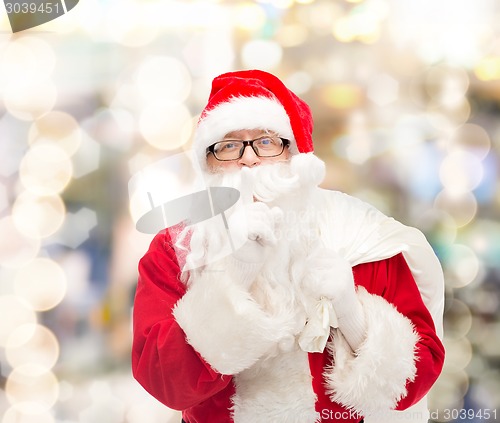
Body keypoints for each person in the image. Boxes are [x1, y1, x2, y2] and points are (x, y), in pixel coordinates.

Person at [131, 70, 445, 423]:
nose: (248, 159)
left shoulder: (358, 234)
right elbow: (165, 383)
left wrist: (351, 312)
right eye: (229, 145)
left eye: (266, 142)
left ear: (295, 154)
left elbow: (416, 378)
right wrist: (232, 281)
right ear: (208, 163)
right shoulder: (179, 249)